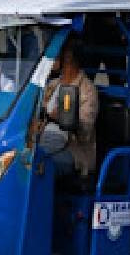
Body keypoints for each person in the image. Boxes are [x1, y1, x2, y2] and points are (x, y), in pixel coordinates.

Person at [40, 36, 98, 179]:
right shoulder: (52, 85)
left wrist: (63, 118)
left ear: (68, 57)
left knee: (40, 164)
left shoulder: (86, 89)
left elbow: (86, 130)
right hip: (45, 139)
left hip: (73, 150)